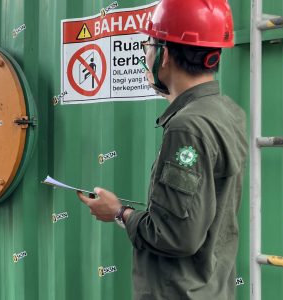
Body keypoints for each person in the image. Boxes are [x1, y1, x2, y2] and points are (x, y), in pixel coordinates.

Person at [76, 0, 247, 299]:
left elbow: (175, 235)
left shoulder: (187, 127)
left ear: (164, 54)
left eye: (149, 46)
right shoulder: (227, 112)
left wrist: (118, 212)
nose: (146, 55)